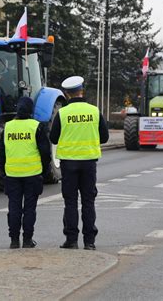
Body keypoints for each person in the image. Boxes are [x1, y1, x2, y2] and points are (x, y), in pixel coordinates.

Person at [50, 76, 109, 250]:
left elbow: (53, 138)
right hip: (89, 163)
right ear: (82, 91)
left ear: (67, 94)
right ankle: (89, 242)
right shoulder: (94, 111)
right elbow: (104, 137)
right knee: (88, 202)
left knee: (70, 202)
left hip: (68, 164)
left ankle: (72, 240)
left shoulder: (62, 113)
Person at [0, 97, 51, 249]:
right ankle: (27, 240)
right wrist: (44, 169)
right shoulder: (36, 127)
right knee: (29, 208)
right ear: (30, 110)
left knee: (14, 208)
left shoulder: (7, 127)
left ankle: (14, 240)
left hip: (12, 174)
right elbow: (45, 152)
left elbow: (0, 152)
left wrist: (4, 170)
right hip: (32, 174)